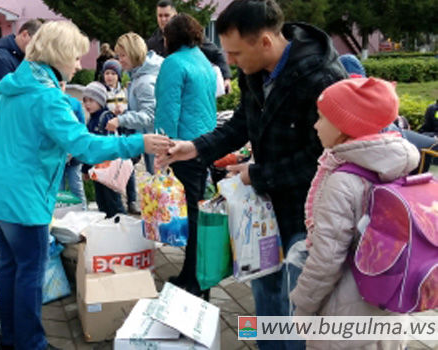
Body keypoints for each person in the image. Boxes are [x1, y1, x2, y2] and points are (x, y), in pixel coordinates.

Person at [0, 21, 172, 350]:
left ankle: (11, 339)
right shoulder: (47, 98)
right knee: (29, 272)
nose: (79, 65)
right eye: (76, 57)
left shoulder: (16, 84)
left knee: (11, 265)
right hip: (22, 198)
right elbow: (85, 147)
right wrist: (138, 143)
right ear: (59, 55)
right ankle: (31, 344)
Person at [157, 1, 347, 348]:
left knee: (296, 312)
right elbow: (241, 125)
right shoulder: (254, 72)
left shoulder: (323, 79)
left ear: (264, 42)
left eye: (235, 53)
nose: (229, 62)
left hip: (307, 215)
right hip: (264, 212)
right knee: (265, 296)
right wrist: (195, 147)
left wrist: (257, 175)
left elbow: (324, 159)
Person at [290, 77, 415, 350]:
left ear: (346, 128)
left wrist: (303, 306)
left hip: (346, 321)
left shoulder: (341, 181)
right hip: (391, 310)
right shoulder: (395, 167)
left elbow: (326, 259)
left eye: (322, 117)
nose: (315, 124)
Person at [154, 13, 216, 297]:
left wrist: (162, 149)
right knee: (197, 211)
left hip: (182, 147)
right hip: (206, 144)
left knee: (190, 215)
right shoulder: (203, 61)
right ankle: (195, 275)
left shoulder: (173, 63)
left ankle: (194, 280)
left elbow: (167, 110)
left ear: (172, 37)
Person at [0, 19, 42, 151]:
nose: (38, 49)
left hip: (7, 135)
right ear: (25, 34)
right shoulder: (0, 59)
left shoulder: (18, 57)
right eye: (37, 43)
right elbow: (4, 101)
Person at [106, 32, 163, 174]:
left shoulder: (144, 81)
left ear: (133, 53)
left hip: (155, 142)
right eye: (118, 56)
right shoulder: (139, 76)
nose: (120, 60)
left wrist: (121, 120)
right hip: (152, 140)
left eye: (123, 55)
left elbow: (150, 116)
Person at [146, 0, 233, 93]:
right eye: (160, 16)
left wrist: (226, 78)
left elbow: (216, 54)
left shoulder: (190, 36)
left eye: (166, 15)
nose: (163, 19)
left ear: (175, 15)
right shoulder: (152, 42)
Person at [81, 82, 128, 218]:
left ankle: (122, 228)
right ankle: (108, 229)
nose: (87, 104)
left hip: (109, 168)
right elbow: (88, 147)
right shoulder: (91, 120)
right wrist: (86, 169)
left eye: (91, 100)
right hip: (97, 170)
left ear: (100, 101)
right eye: (85, 101)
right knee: (101, 202)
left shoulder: (106, 118)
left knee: (113, 202)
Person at [102, 59, 139, 214]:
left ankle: (132, 200)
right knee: (112, 169)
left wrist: (123, 114)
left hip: (123, 133)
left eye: (112, 73)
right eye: (106, 73)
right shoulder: (102, 91)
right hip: (109, 135)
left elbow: (132, 111)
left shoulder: (124, 92)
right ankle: (116, 203)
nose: (109, 77)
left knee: (128, 167)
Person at [59, 81, 87, 209]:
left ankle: (83, 212)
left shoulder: (74, 103)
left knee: (76, 185)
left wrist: (75, 150)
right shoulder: (48, 103)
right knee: (59, 189)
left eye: (61, 84)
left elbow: (82, 128)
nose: (59, 87)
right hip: (57, 156)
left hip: (73, 155)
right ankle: (61, 216)